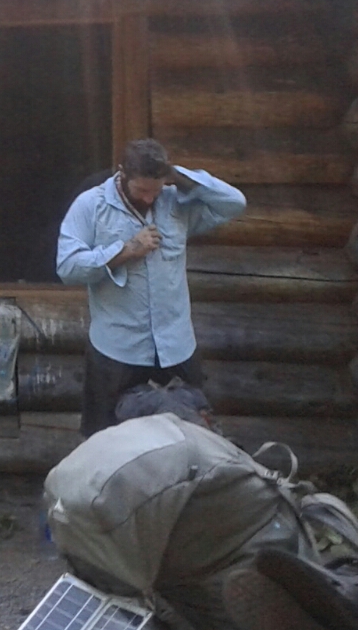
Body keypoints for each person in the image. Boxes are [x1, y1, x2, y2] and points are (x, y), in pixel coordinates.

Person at [57, 138, 246, 436]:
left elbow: (234, 203)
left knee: (194, 437)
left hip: (177, 348)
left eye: (155, 190)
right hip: (116, 352)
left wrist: (180, 177)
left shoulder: (176, 202)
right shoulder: (91, 205)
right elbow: (67, 267)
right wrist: (126, 250)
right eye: (141, 190)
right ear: (122, 174)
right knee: (106, 443)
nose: (149, 198)